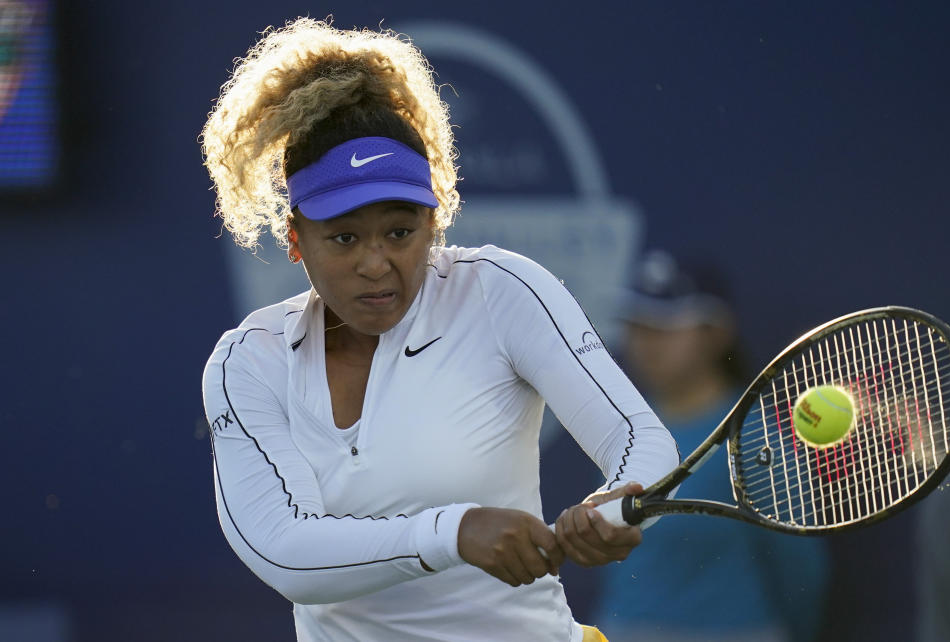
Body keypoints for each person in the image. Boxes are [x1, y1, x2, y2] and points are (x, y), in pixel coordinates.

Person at [199, 18, 679, 641]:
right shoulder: (248, 362)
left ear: (435, 221)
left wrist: (613, 508)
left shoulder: (502, 290)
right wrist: (454, 532)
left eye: (400, 232)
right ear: (296, 240)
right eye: (344, 238)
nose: (376, 262)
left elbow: (642, 440)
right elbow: (285, 552)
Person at [592, 250, 829, 642]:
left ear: (716, 334)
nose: (647, 340)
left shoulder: (755, 435)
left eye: (666, 324)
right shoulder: (620, 427)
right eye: (637, 324)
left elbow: (799, 567)